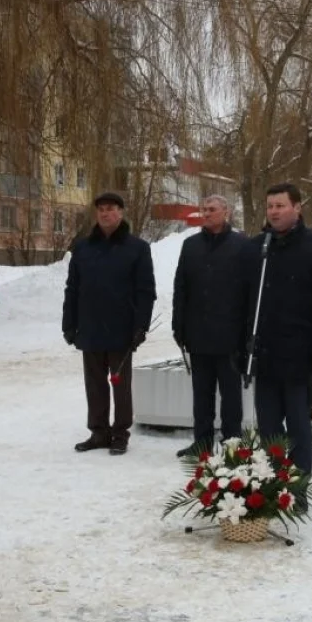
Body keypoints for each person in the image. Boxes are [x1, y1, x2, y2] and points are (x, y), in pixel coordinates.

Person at [242, 183, 312, 474]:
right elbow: (243, 301)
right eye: (270, 206)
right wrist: (242, 347)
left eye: (280, 206)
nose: (273, 212)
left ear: (297, 208)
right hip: (265, 355)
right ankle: (272, 481)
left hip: (300, 357)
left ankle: (298, 485)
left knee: (298, 427)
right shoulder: (257, 248)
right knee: (269, 427)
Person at [63, 192, 156, 456]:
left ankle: (120, 433)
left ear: (121, 212)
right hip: (90, 326)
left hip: (122, 327)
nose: (105, 213)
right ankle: (99, 432)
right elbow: (72, 288)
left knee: (120, 384)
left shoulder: (137, 248)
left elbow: (145, 290)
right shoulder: (83, 248)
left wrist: (141, 326)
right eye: (101, 209)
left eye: (111, 209)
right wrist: (69, 323)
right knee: (94, 383)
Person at [171, 195, 248, 456]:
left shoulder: (241, 245)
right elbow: (181, 286)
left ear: (226, 212)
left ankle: (232, 443)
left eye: (212, 209)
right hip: (198, 333)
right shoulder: (190, 245)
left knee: (231, 395)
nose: (206, 213)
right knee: (201, 394)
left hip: (230, 335)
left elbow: (247, 291)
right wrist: (178, 324)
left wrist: (246, 331)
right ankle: (202, 442)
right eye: (204, 209)